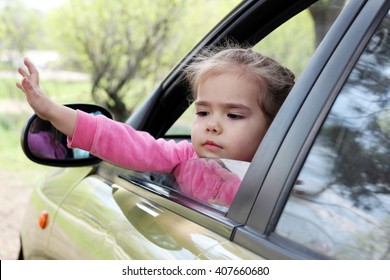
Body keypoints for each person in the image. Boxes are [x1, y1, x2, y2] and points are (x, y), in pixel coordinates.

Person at [16, 45, 295, 206]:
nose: (212, 125)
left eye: (233, 116)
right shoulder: (185, 156)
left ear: (275, 127)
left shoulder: (283, 186)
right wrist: (52, 111)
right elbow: (127, 143)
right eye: (202, 112)